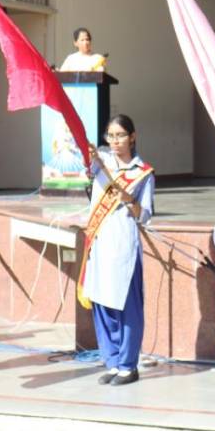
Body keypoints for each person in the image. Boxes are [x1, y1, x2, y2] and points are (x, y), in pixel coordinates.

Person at [78, 114, 155, 386]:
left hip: (124, 246)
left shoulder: (143, 172)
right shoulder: (101, 162)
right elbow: (86, 162)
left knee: (127, 306)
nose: (115, 141)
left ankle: (128, 364)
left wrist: (129, 199)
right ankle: (111, 360)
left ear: (132, 137)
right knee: (101, 301)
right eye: (110, 135)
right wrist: (90, 154)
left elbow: (145, 215)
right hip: (100, 242)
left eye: (120, 135)